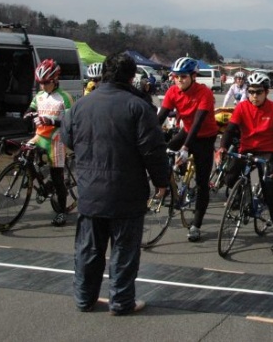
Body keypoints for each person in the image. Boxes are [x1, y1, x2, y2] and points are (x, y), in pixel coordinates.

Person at [61, 52, 168, 315]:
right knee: (123, 251)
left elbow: (67, 139)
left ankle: (84, 298)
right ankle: (121, 301)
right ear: (132, 77)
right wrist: (162, 183)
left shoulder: (80, 106)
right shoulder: (138, 107)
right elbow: (153, 151)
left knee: (89, 249)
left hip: (89, 190)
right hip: (127, 192)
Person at [218, 72, 273, 254]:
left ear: (266, 92)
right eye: (251, 92)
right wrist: (222, 148)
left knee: (269, 194)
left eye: (258, 92)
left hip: (266, 153)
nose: (254, 96)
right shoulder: (242, 107)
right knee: (228, 178)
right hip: (246, 149)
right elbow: (230, 130)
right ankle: (241, 196)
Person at [157, 57, 218, 242]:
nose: (179, 80)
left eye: (183, 76)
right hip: (186, 131)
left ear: (193, 76)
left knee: (201, 182)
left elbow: (198, 123)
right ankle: (168, 184)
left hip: (205, 136)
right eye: (176, 76)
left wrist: (185, 147)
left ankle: (196, 225)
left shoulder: (204, 93)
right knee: (164, 151)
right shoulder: (173, 91)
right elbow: (160, 118)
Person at [25, 59, 73, 227]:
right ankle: (43, 186)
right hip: (40, 136)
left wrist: (51, 121)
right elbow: (31, 109)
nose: (42, 87)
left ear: (54, 80)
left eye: (46, 83)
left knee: (57, 176)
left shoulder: (64, 98)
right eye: (40, 83)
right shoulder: (39, 96)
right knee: (22, 156)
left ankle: (61, 211)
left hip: (56, 139)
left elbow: (69, 122)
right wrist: (28, 115)